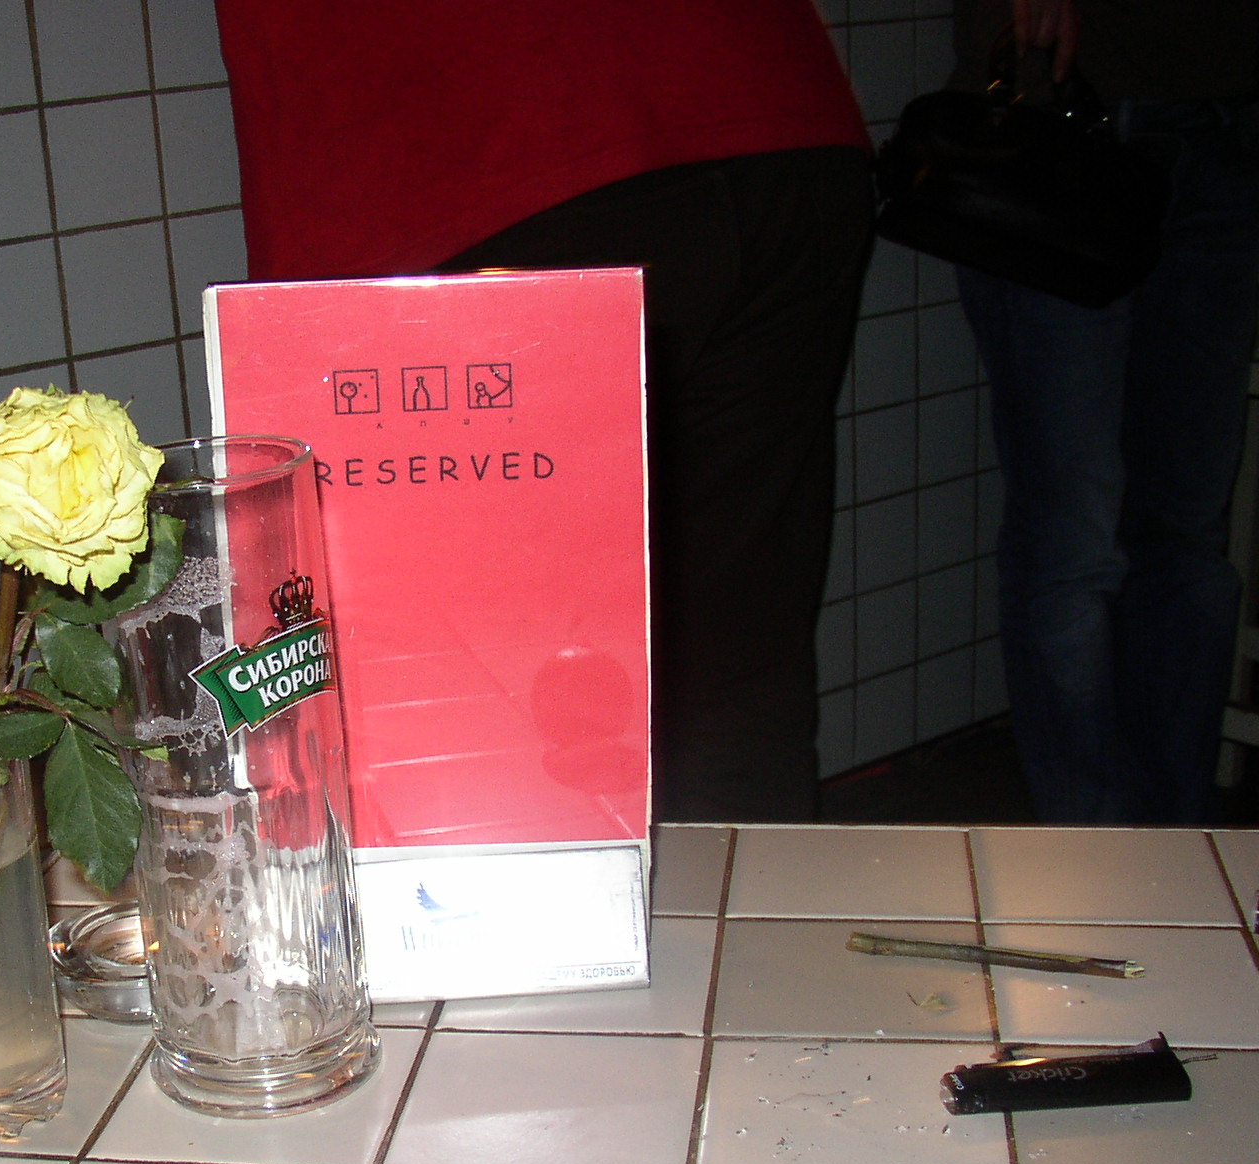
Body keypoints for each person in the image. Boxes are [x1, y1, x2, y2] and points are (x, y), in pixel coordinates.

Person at [214, 2, 874, 823]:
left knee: (481, 726)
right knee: (735, 680)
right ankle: (754, 907)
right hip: (764, 95)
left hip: (469, 145)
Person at [951, 0, 1259, 823]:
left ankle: (1173, 845)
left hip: (1232, 109)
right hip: (1067, 109)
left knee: (1185, 533)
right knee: (1075, 540)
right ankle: (1093, 847)